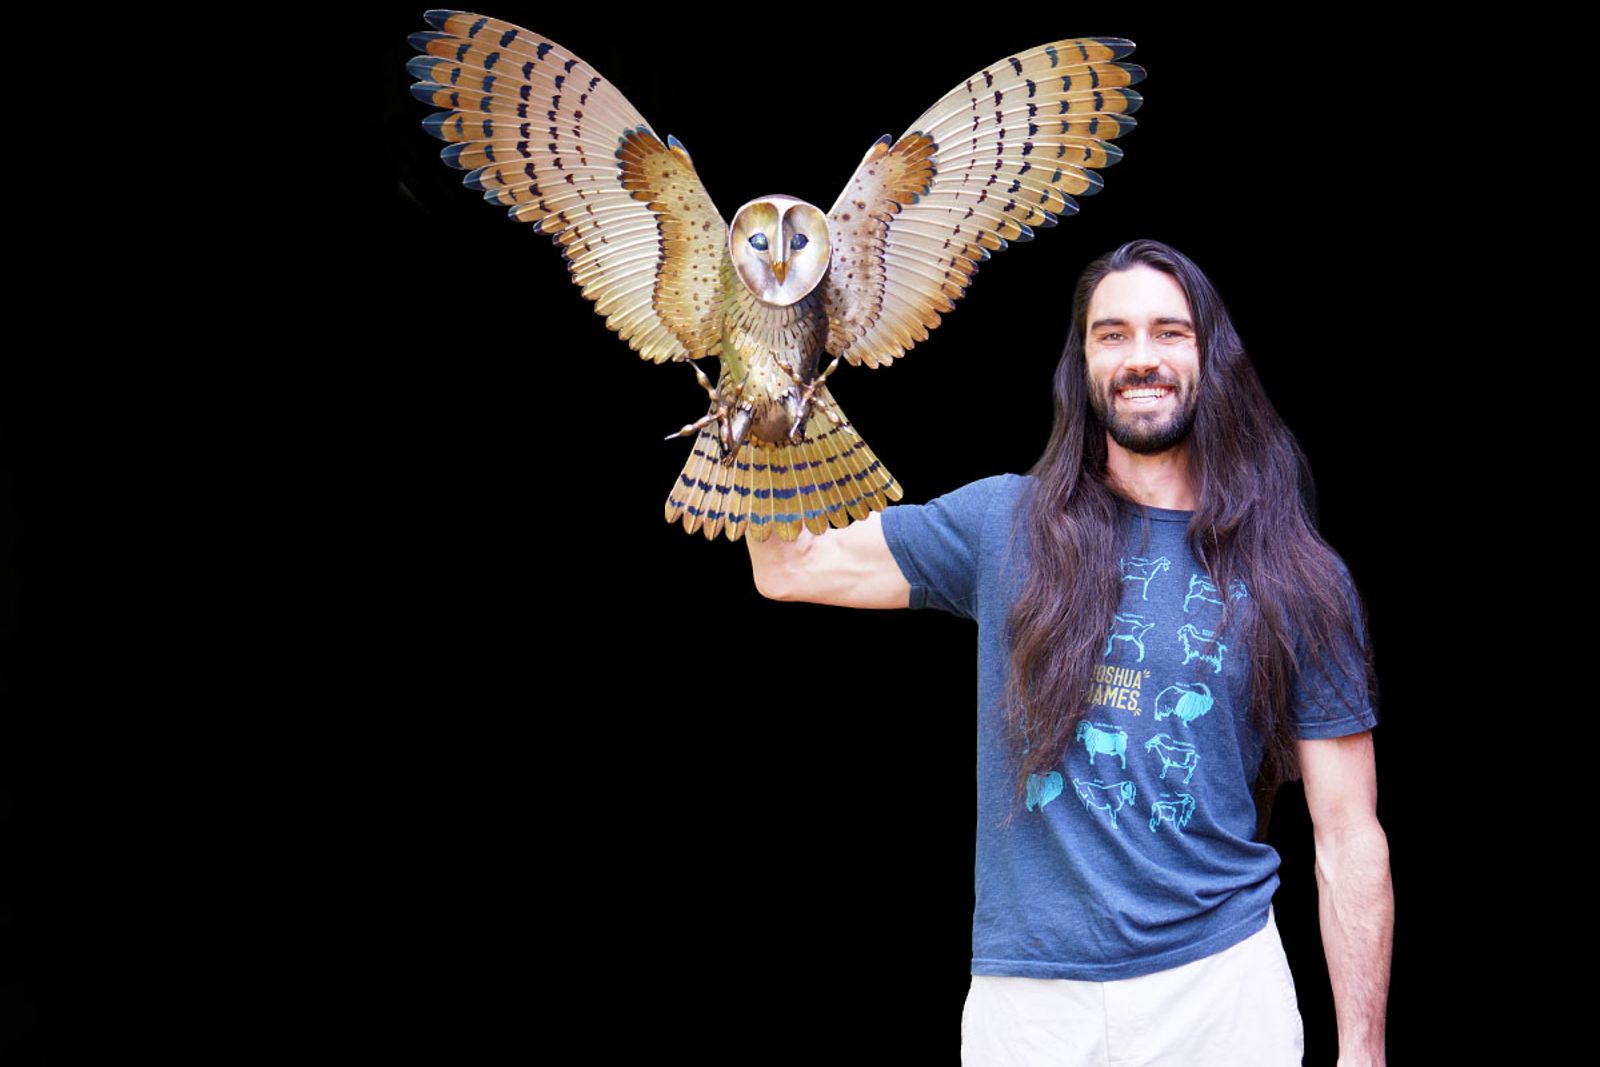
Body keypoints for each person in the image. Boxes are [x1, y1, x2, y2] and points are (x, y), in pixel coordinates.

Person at [746, 239, 1392, 1066]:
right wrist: (761, 378)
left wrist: (1363, 1050)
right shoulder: (1002, 523)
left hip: (1219, 991)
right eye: (1111, 334)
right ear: (1081, 363)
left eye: (1170, 332)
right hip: (1029, 1009)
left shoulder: (1297, 573)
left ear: (1211, 355)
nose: (1141, 357)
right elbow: (787, 565)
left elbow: (1348, 835)